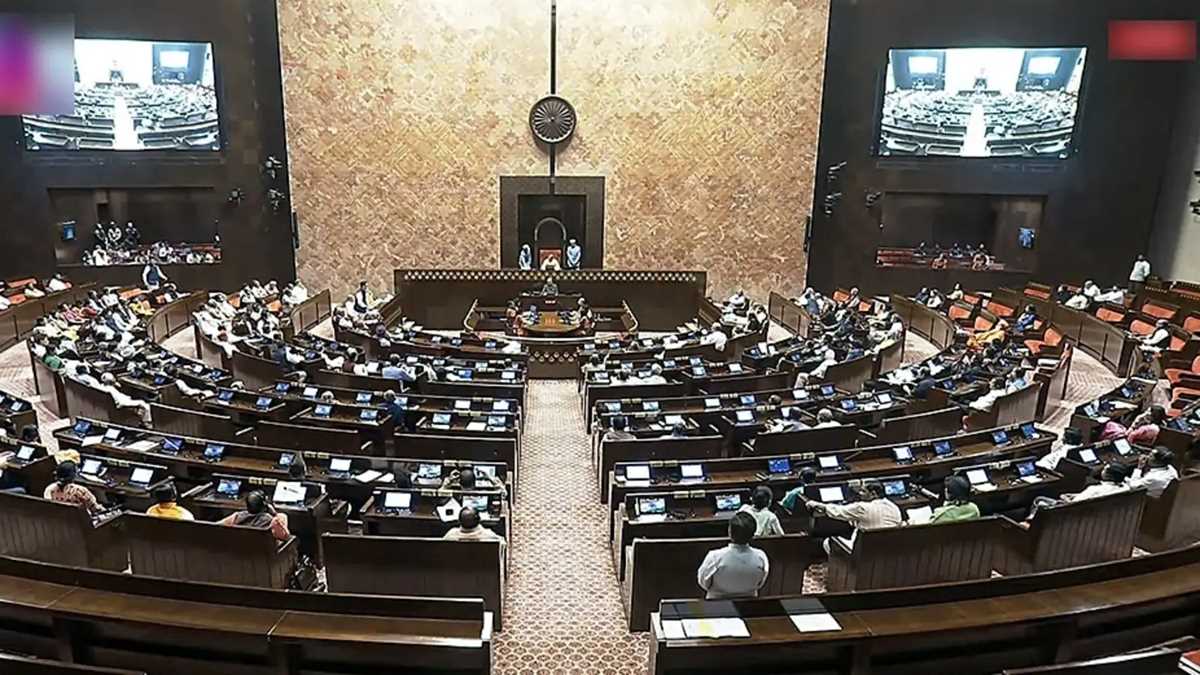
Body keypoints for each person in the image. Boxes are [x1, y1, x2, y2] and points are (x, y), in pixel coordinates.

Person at [802, 480, 901, 554]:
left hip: (863, 551)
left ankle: (842, 569)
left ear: (873, 494)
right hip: (888, 550)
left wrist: (815, 504)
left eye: (863, 491)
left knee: (828, 542)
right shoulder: (894, 507)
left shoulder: (862, 508)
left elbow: (838, 511)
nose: (859, 493)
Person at [696, 511, 769, 599]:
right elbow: (760, 583)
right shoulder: (761, 557)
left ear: (729, 532)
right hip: (749, 602)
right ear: (753, 535)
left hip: (717, 602)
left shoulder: (714, 557)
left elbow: (703, 582)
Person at [219, 490, 290, 541]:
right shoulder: (273, 520)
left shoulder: (236, 516)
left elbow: (217, 526)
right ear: (264, 505)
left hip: (240, 552)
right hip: (265, 553)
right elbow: (285, 536)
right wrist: (275, 514)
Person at [1062, 463, 1132, 502]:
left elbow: (1074, 504)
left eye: (1104, 469)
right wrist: (1078, 495)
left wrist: (1064, 498)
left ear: (1108, 475)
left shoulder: (1093, 489)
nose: (1102, 470)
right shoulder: (1126, 487)